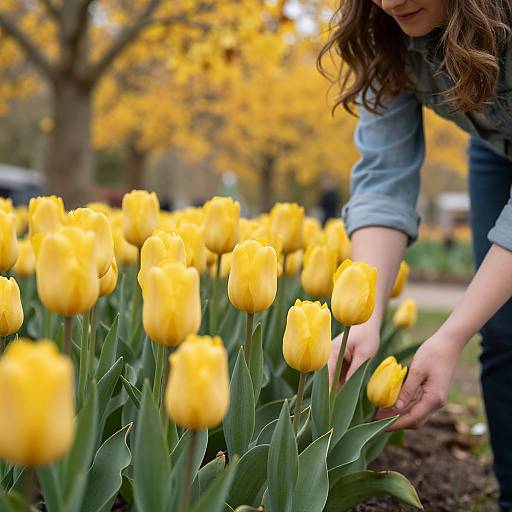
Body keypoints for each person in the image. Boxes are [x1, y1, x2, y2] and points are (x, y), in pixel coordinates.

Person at [320, 2, 512, 511]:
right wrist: (365, 315)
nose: (390, 0)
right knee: (503, 330)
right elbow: (384, 178)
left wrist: (450, 335)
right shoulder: (382, 33)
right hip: (497, 149)